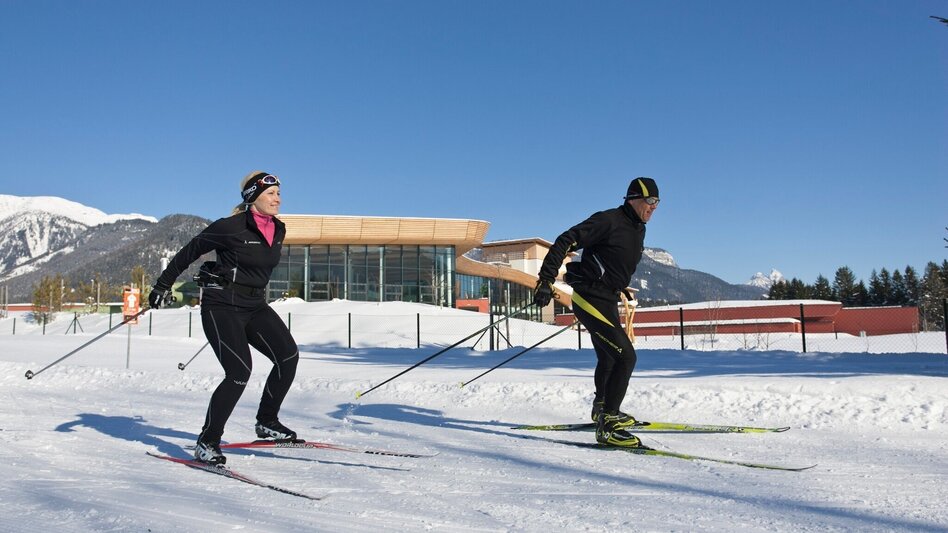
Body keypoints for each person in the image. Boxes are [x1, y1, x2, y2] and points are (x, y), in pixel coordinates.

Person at [148, 171, 300, 464]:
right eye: (271, 194)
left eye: (279, 193)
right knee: (239, 372)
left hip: (254, 305)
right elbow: (189, 252)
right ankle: (207, 442)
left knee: (288, 356)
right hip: (222, 306)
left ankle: (267, 421)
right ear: (253, 197)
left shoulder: (278, 229)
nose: (278, 199)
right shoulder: (230, 227)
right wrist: (162, 285)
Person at [533, 177, 659, 447]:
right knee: (626, 357)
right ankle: (609, 425)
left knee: (610, 356)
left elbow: (612, 262)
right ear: (633, 199)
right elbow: (566, 239)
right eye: (649, 201)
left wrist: (618, 285)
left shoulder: (638, 229)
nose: (653, 207)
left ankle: (602, 409)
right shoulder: (608, 220)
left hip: (607, 297)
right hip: (590, 297)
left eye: (657, 203)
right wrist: (545, 280)